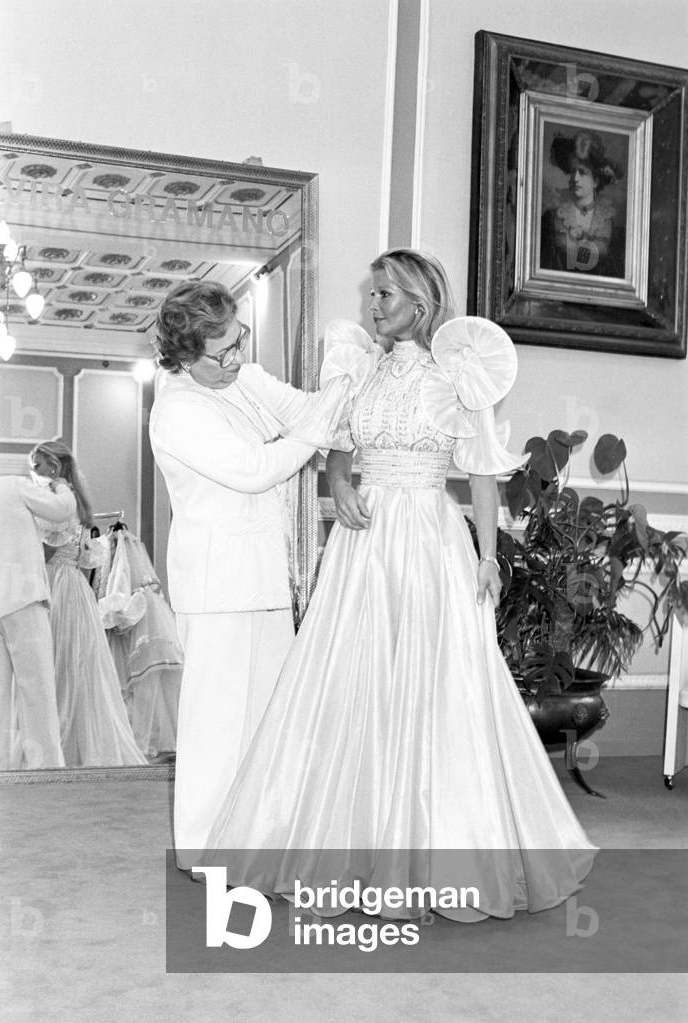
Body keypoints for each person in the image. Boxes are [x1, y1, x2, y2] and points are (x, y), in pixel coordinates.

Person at [199, 248, 597, 923]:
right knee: (348, 680)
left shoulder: (455, 379)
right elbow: (338, 445)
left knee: (433, 681)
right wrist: (338, 484)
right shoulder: (361, 370)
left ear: (418, 302)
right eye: (372, 293)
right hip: (364, 545)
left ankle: (436, 848)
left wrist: (486, 556)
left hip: (428, 541)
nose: (372, 304)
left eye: (383, 293)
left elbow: (477, 474)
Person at [149, 279, 347, 868]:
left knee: (267, 719)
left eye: (240, 341)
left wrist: (340, 384)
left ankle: (259, 845)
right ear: (184, 355)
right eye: (222, 351)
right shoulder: (177, 409)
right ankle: (205, 856)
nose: (237, 358)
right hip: (214, 590)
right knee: (215, 730)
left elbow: (306, 411)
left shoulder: (243, 376)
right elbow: (258, 469)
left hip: (264, 577)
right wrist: (316, 428)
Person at [29, 440, 147, 768]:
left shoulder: (57, 501)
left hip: (57, 584)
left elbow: (47, 551)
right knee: (72, 665)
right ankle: (65, 745)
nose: (33, 472)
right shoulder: (75, 499)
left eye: (37, 465)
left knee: (56, 664)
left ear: (54, 466)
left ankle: (56, 748)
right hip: (72, 585)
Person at [0, 469, 75, 769]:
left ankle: (1, 769)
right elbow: (61, 511)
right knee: (37, 691)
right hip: (23, 598)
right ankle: (47, 770)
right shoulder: (14, 485)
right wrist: (62, 486)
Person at [540, 130, 625, 277]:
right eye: (573, 172)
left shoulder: (608, 222)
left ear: (596, 181)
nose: (575, 179)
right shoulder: (553, 217)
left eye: (582, 172)